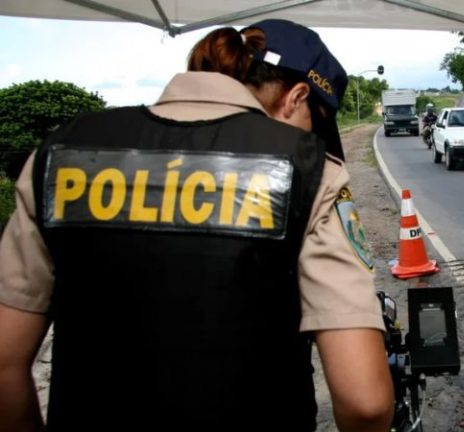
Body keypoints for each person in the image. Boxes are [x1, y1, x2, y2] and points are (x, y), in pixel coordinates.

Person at [0, 19, 393, 432]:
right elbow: (365, 402)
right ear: (296, 98)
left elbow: (5, 362)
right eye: (316, 119)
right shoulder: (308, 168)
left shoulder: (62, 152)